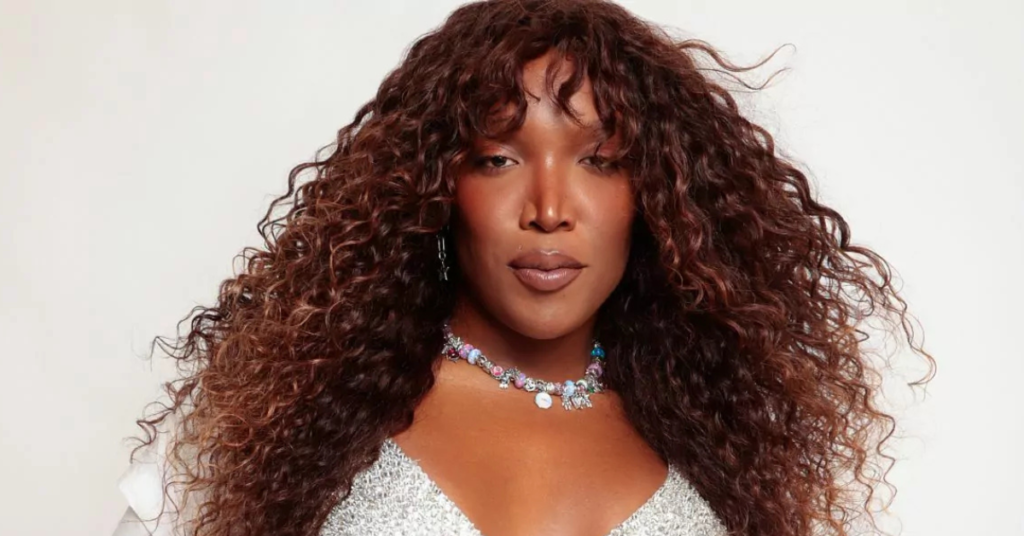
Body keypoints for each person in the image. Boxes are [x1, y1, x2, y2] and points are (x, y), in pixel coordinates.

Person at [112, 1, 935, 535]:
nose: (549, 207)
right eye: (498, 158)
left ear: (657, 198)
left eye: (601, 161)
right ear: (436, 186)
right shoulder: (285, 423)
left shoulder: (729, 448)